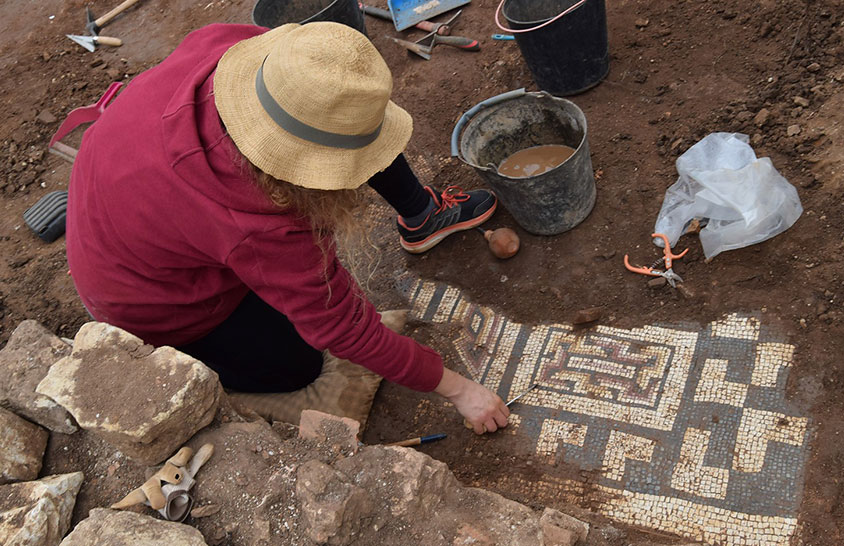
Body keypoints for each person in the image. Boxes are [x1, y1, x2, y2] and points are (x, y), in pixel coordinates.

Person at [65, 21, 510, 434]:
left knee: (352, 120)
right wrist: (461, 391)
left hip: (129, 196)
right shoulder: (259, 220)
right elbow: (344, 329)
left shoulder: (242, 51)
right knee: (297, 364)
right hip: (148, 297)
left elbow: (344, 117)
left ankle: (421, 215)